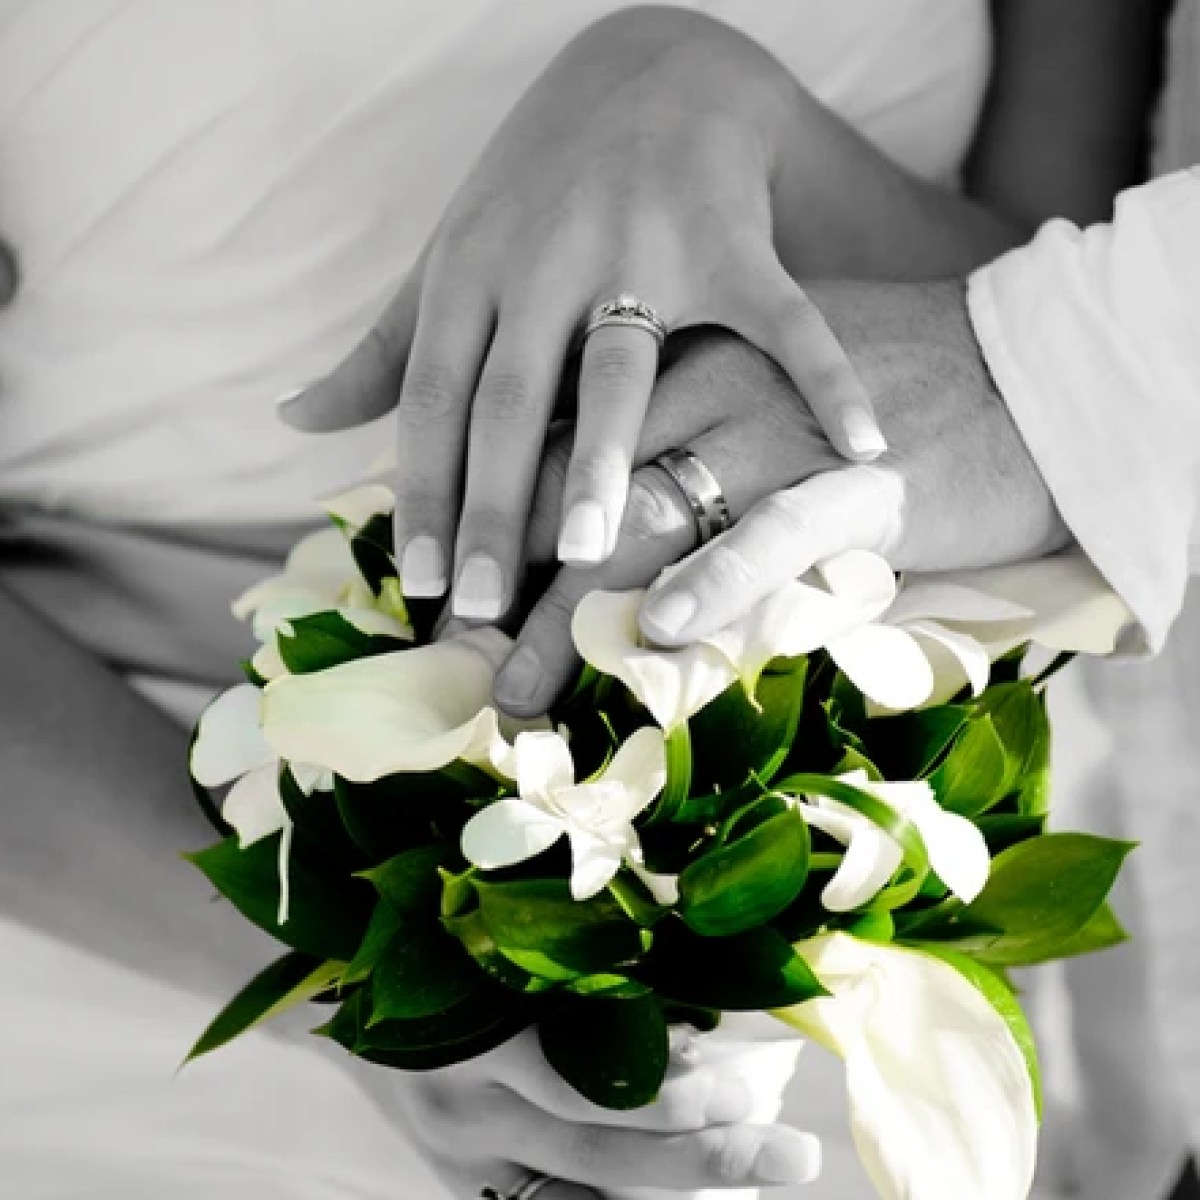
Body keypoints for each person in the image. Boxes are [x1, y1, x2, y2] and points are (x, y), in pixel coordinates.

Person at [0, 3, 1177, 1199]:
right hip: (140, 840)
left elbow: (1056, 365)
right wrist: (359, 993)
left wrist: (724, 109)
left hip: (809, 863)